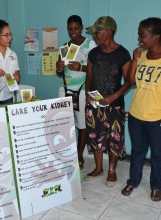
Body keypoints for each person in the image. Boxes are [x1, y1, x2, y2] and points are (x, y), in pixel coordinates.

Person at [121, 17, 161, 201]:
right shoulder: (141, 55)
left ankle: (156, 186)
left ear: (156, 36)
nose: (139, 39)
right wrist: (135, 60)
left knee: (158, 153)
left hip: (159, 117)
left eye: (143, 35)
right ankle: (133, 181)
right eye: (139, 35)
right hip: (136, 115)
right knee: (138, 150)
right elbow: (131, 81)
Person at [84, 16, 131, 187]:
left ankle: (111, 170)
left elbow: (129, 81)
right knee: (95, 136)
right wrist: (88, 93)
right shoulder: (93, 53)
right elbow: (88, 77)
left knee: (114, 137)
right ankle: (98, 168)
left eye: (98, 32)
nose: (95, 35)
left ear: (109, 32)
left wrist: (113, 97)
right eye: (94, 32)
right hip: (94, 104)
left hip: (114, 105)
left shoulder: (122, 54)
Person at [56, 15, 96, 170]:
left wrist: (80, 67)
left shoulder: (90, 44)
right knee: (64, 124)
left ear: (81, 27)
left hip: (82, 88)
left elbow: (95, 68)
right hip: (64, 88)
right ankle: (67, 155)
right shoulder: (64, 47)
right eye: (70, 29)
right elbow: (60, 72)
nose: (73, 32)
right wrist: (59, 67)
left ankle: (79, 156)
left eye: (76, 28)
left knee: (81, 124)